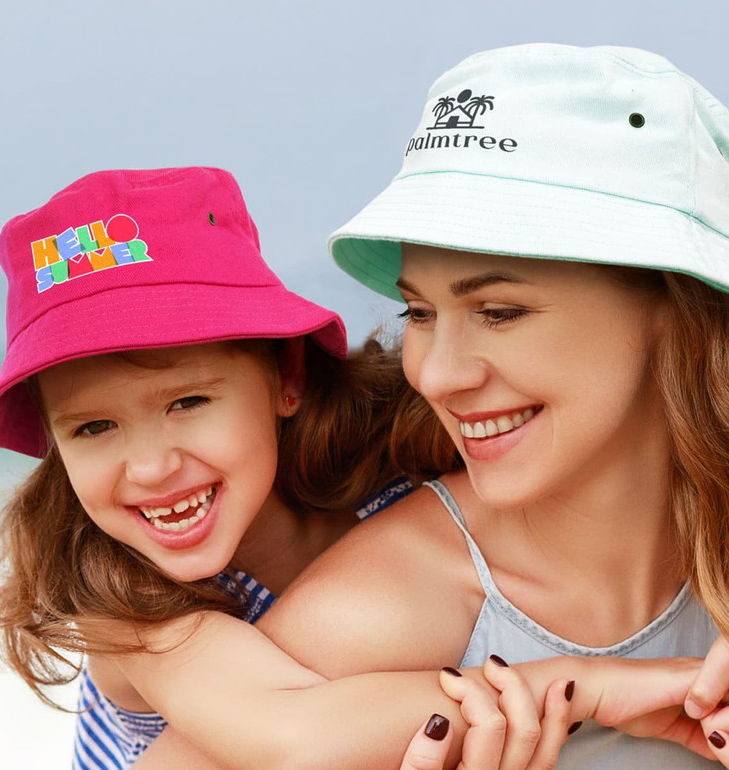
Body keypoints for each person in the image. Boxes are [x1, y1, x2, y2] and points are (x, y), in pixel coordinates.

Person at [0, 164, 709, 770]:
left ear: (286, 379)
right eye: (93, 427)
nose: (152, 466)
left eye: (188, 402)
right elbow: (294, 736)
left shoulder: (394, 463)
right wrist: (593, 688)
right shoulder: (122, 597)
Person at [253, 43, 729, 767]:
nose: (436, 375)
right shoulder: (376, 612)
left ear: (673, 304)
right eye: (418, 313)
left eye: (499, 312)